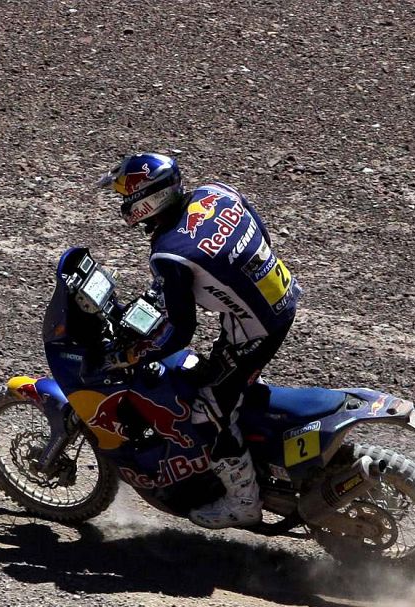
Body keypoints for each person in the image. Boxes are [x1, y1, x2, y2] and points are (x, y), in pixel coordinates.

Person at [95, 151, 302, 529]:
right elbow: (259, 231)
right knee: (222, 379)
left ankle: (243, 502)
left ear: (147, 200)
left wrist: (136, 353)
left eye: (127, 196)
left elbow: (182, 331)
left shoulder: (170, 254)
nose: (124, 204)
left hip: (256, 330)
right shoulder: (216, 193)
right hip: (281, 289)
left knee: (209, 407)